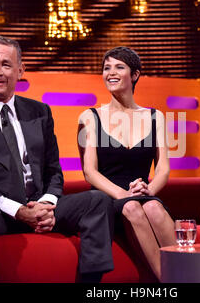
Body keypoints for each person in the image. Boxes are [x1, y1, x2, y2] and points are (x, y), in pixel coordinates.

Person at [0, 36, 115, 283]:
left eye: (6, 65)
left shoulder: (39, 111)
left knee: (97, 201)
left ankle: (92, 283)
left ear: (21, 70)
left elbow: (54, 171)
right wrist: (18, 211)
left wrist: (46, 205)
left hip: (36, 207)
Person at [77, 46, 176, 281]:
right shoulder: (89, 117)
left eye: (119, 67)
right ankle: (170, 280)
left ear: (134, 75)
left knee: (152, 206)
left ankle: (188, 273)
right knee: (132, 207)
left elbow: (162, 168)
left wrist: (148, 190)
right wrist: (123, 195)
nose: (111, 72)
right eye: (106, 68)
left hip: (143, 194)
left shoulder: (155, 117)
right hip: (108, 200)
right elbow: (89, 172)